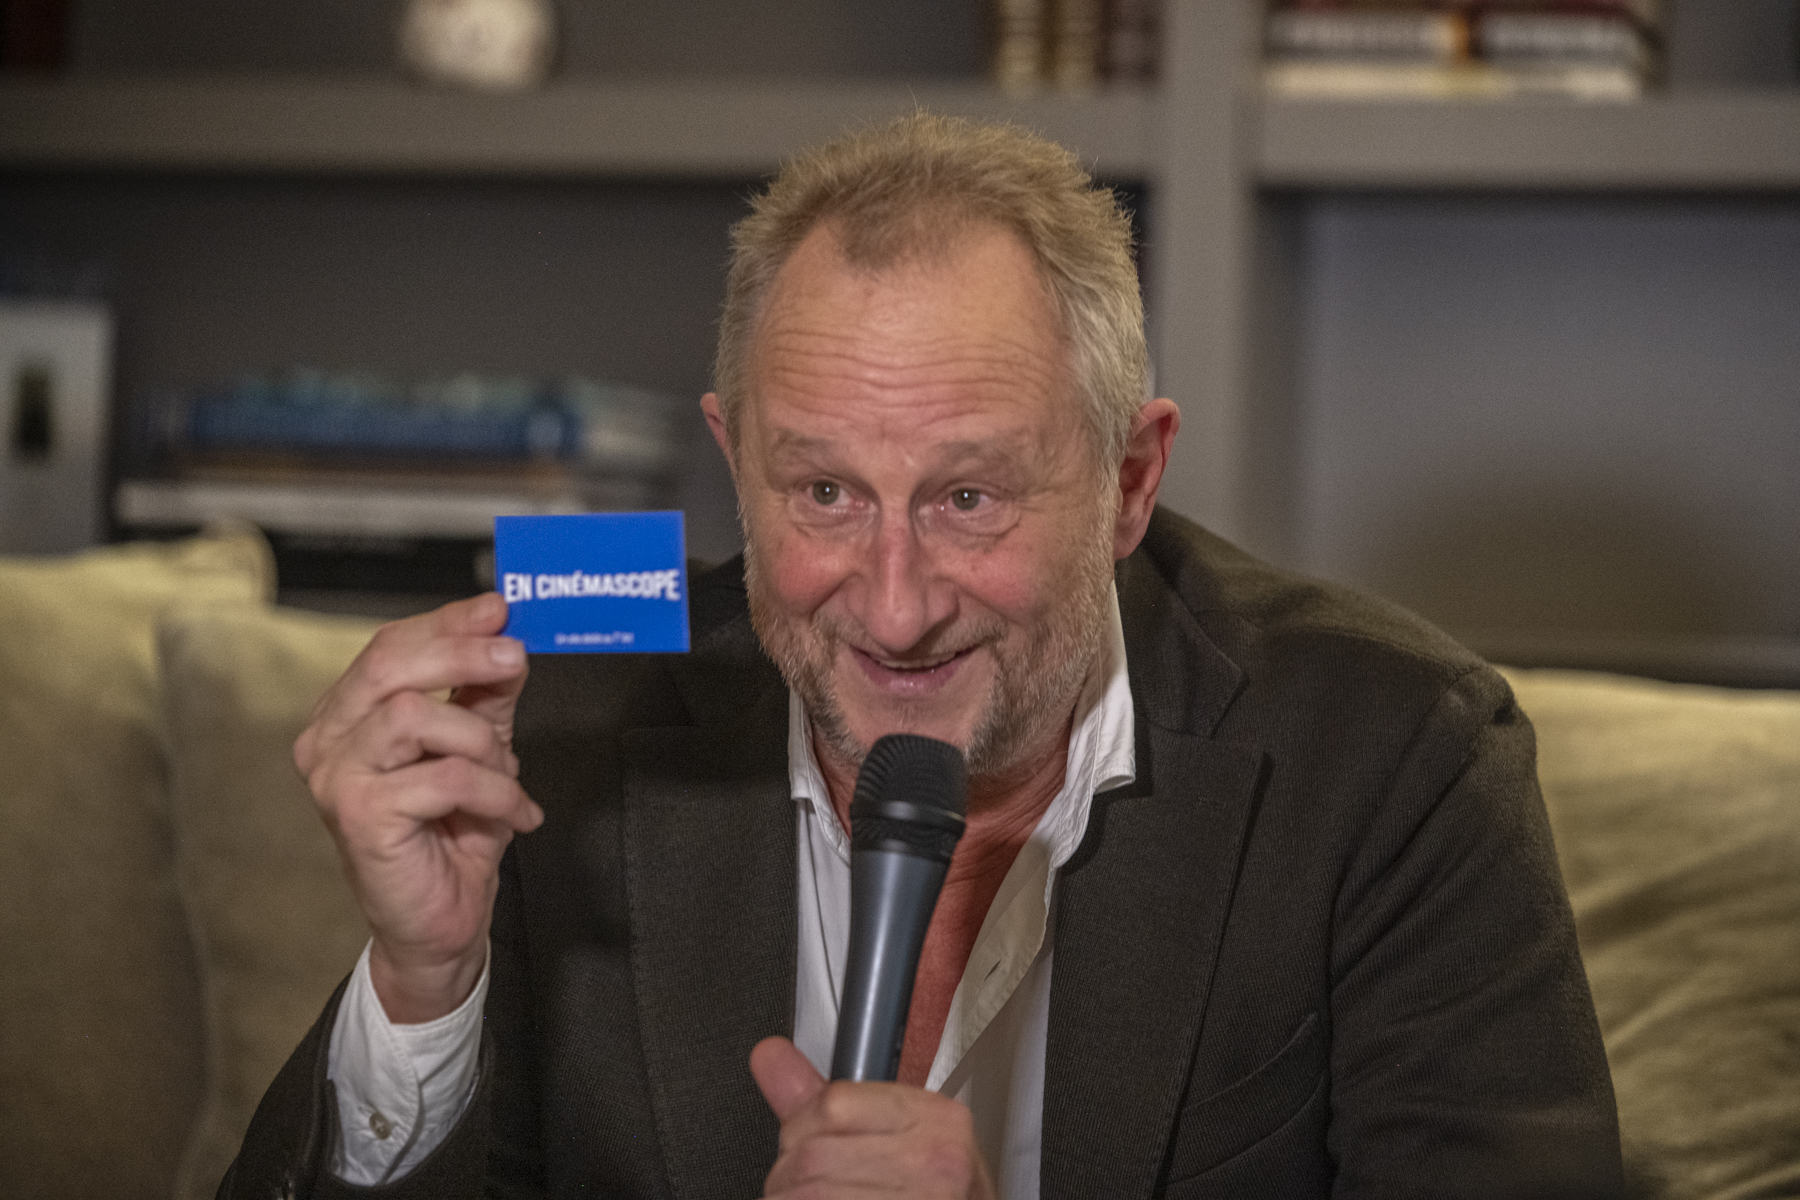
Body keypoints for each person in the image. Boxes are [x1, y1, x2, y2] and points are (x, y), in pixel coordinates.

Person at [224, 114, 1621, 1199]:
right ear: (734, 460)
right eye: (824, 493)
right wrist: (423, 994)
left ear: (1131, 480)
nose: (893, 612)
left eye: (968, 498)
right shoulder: (562, 731)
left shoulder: (1401, 760)